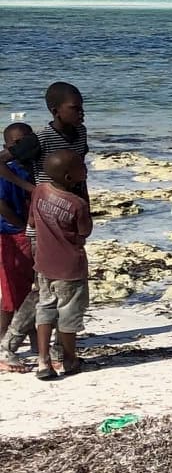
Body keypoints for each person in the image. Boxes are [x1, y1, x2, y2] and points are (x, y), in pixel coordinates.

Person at [31, 148, 91, 380]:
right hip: (69, 268)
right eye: (81, 167)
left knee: (45, 308)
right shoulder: (77, 203)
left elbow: (32, 221)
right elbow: (84, 231)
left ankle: (43, 360)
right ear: (69, 177)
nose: (85, 168)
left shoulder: (40, 191)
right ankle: (69, 358)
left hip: (43, 263)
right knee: (69, 315)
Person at [0, 123, 40, 373]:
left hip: (31, 235)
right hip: (10, 235)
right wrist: (21, 226)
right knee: (12, 295)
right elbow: (1, 204)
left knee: (36, 289)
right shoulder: (8, 172)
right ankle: (3, 341)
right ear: (7, 148)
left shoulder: (34, 169)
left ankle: (38, 341)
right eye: (16, 143)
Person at [40, 83, 89, 175]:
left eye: (81, 107)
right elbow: (3, 161)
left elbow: (80, 166)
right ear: (55, 111)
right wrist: (33, 188)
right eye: (75, 108)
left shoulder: (81, 131)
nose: (81, 112)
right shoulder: (42, 138)